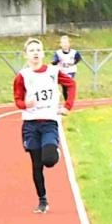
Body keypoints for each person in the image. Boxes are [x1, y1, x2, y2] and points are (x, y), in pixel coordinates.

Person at [13, 37, 76, 214]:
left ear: (43, 53)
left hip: (49, 121)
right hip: (30, 124)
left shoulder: (53, 72)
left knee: (49, 160)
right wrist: (25, 104)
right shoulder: (22, 76)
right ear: (26, 55)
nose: (35, 53)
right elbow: (17, 100)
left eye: (38, 50)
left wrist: (68, 106)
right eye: (31, 50)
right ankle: (42, 200)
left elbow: (71, 84)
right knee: (37, 164)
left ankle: (54, 150)